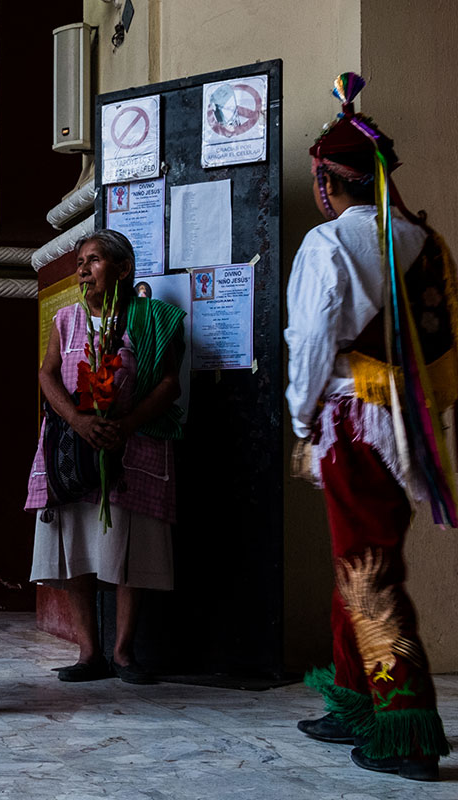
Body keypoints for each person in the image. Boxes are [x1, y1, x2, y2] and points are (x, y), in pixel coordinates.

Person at [286, 72, 451, 782]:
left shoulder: (331, 244)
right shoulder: (425, 241)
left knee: (367, 576)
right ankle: (354, 699)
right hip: (406, 423)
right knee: (359, 561)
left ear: (328, 182)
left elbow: (313, 342)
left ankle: (405, 725)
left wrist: (300, 417)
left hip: (352, 420)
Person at [24, 230, 185, 685]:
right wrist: (79, 421)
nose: (82, 270)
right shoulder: (65, 319)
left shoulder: (152, 318)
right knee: (76, 543)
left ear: (124, 269)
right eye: (79, 263)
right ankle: (88, 653)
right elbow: (47, 375)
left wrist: (127, 425)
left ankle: (123, 653)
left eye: (93, 260)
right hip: (75, 448)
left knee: (126, 548)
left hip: (131, 445)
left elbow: (169, 382)